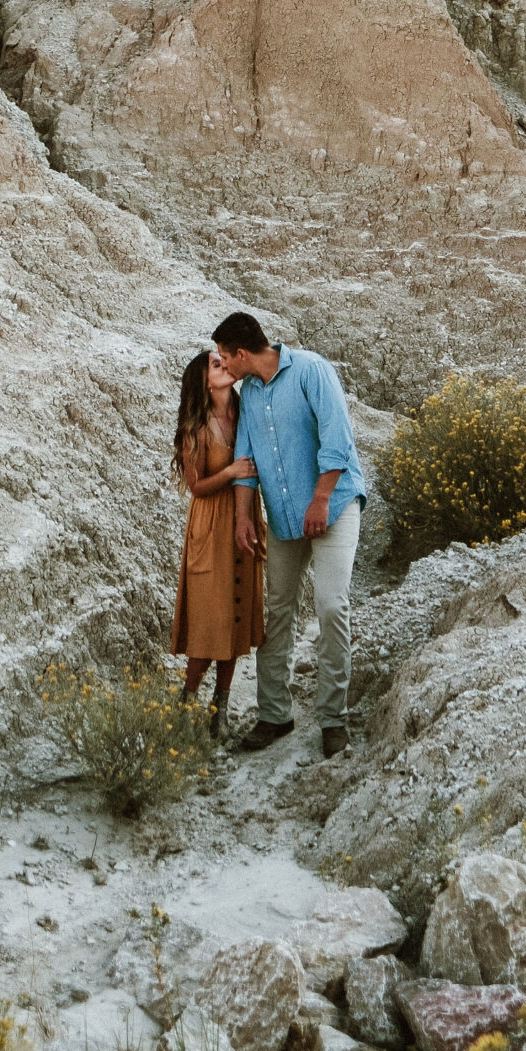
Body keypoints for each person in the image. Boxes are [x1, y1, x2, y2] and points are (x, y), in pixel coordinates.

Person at [211, 309, 366, 760]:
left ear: (242, 352)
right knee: (277, 610)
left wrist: (319, 501)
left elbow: (338, 441)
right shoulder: (250, 393)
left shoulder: (312, 371)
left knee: (331, 606)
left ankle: (333, 720)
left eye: (225, 356)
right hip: (282, 518)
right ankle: (274, 714)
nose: (223, 364)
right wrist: (244, 518)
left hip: (333, 506)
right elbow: (246, 462)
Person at [169, 345, 264, 733]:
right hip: (210, 526)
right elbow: (196, 486)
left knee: (237, 617)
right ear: (204, 380)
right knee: (210, 625)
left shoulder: (245, 414)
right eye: (214, 363)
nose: (222, 364)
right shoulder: (196, 426)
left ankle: (218, 712)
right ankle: (183, 705)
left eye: (222, 360)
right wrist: (230, 473)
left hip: (244, 520)